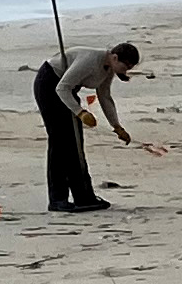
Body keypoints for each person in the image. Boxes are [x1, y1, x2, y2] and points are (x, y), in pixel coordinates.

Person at [33, 39, 144, 211]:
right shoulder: (91, 61)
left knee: (75, 144)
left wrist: (117, 126)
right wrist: (80, 112)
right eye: (126, 66)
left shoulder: (108, 70)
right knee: (61, 142)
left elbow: (105, 97)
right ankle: (57, 199)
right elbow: (62, 87)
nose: (126, 71)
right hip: (50, 85)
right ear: (115, 57)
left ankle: (83, 196)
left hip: (68, 92)